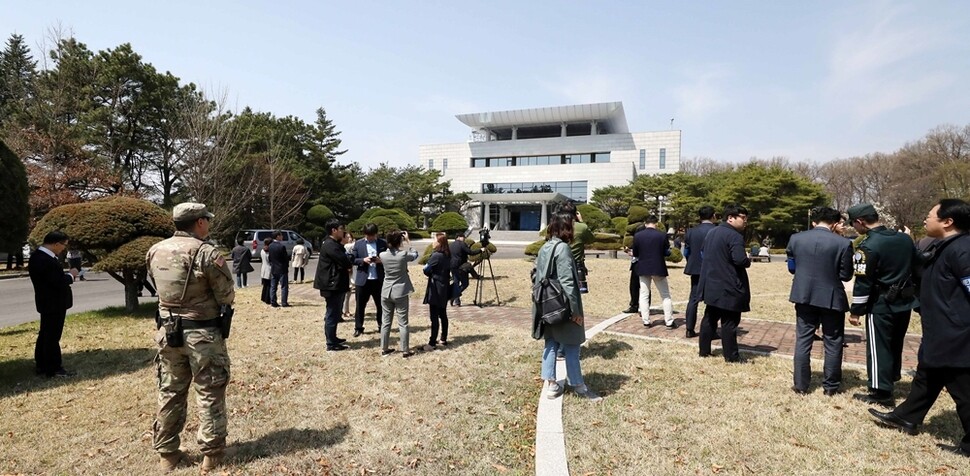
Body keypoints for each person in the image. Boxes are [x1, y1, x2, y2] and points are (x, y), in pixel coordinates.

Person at [868, 199, 970, 456]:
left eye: (930, 215)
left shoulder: (963, 250)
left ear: (948, 222)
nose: (926, 219)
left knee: (963, 390)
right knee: (927, 376)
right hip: (939, 330)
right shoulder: (945, 246)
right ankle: (907, 416)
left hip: (956, 334)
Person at [146, 202, 234, 471]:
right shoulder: (206, 253)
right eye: (206, 219)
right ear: (199, 222)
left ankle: (167, 453)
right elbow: (226, 294)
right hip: (202, 335)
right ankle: (212, 453)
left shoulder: (154, 250)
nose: (208, 223)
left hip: (168, 333)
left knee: (170, 390)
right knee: (209, 391)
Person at [846, 203, 919, 407]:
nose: (854, 228)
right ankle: (891, 376)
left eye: (853, 223)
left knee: (878, 347)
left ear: (860, 222)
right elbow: (917, 264)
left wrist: (856, 311)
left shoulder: (867, 245)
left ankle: (880, 391)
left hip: (880, 304)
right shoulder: (904, 238)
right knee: (896, 343)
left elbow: (863, 282)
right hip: (904, 302)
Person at [531, 212, 602, 402]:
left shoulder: (545, 247)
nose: (573, 230)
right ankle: (578, 384)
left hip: (546, 304)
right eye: (570, 226)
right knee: (571, 345)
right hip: (562, 305)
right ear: (564, 228)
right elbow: (568, 282)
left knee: (551, 343)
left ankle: (551, 384)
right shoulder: (563, 249)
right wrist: (576, 311)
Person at [786, 207, 854, 396]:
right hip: (831, 296)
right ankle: (830, 387)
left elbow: (792, 267)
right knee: (833, 341)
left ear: (814, 222)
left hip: (803, 294)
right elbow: (846, 275)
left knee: (803, 339)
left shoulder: (796, 239)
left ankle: (800, 384)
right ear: (834, 223)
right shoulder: (843, 243)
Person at [698, 204, 751, 363]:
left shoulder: (711, 232)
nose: (745, 221)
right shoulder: (734, 236)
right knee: (729, 322)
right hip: (729, 284)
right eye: (742, 218)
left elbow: (703, 253)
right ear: (730, 218)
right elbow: (740, 260)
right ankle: (731, 356)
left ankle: (704, 350)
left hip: (711, 282)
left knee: (710, 317)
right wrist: (747, 260)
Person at [29, 231, 79, 378]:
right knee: (51, 337)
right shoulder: (43, 259)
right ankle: (53, 368)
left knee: (45, 334)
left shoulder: (40, 256)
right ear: (56, 244)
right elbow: (57, 282)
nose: (64, 248)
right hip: (53, 302)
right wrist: (71, 275)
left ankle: (42, 365)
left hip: (48, 302)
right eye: (64, 245)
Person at [378, 230, 420, 357]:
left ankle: (384, 348)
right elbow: (415, 255)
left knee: (385, 322)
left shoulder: (382, 255)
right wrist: (409, 241)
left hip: (386, 291)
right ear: (399, 242)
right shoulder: (403, 255)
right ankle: (405, 350)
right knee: (403, 322)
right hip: (400, 291)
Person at [313, 219, 353, 351]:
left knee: (335, 312)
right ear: (334, 230)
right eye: (341, 229)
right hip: (331, 284)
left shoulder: (334, 244)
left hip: (335, 283)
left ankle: (333, 338)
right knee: (331, 313)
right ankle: (331, 343)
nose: (343, 231)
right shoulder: (330, 245)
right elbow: (345, 261)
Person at [632, 215, 675, 328]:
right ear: (656, 223)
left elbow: (635, 253)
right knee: (665, 295)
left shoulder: (638, 236)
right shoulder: (661, 235)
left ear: (645, 223)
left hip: (643, 267)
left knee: (644, 294)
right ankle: (669, 320)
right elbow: (667, 252)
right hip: (658, 267)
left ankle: (646, 320)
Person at [683, 206, 717, 338]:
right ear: (713, 215)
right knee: (713, 300)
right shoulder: (716, 231)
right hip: (713, 269)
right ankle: (710, 330)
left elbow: (687, 252)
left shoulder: (691, 231)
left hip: (695, 268)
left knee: (693, 299)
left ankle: (689, 329)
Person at [351, 223, 387, 336]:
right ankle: (358, 327)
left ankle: (381, 325)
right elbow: (352, 259)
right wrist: (363, 260)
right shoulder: (358, 244)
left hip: (378, 279)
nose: (370, 238)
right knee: (360, 305)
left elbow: (389, 257)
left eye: (372, 235)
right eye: (367, 235)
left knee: (381, 305)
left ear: (376, 234)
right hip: (363, 279)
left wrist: (381, 261)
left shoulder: (382, 243)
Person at [557, 201, 595, 293]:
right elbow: (591, 240)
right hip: (577, 266)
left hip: (558, 264)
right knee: (575, 295)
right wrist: (581, 222)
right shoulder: (581, 227)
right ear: (575, 213)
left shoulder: (554, 226)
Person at [423, 231, 452, 350]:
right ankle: (443, 338)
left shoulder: (436, 256)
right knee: (443, 314)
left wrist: (427, 268)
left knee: (434, 316)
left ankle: (432, 343)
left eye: (434, 240)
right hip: (444, 287)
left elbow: (426, 270)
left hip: (435, 288)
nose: (433, 242)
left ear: (439, 243)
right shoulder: (447, 254)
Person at [449, 231, 482, 306]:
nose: (464, 239)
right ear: (459, 237)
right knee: (465, 284)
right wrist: (480, 250)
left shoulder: (451, 245)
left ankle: (456, 301)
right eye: (463, 237)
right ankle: (454, 296)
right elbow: (470, 252)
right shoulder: (462, 244)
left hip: (452, 267)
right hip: (461, 267)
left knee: (456, 283)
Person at [267, 230, 290, 307]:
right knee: (284, 286)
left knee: (273, 286)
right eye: (281, 235)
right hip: (282, 269)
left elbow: (270, 258)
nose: (282, 237)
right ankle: (284, 302)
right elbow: (285, 258)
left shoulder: (270, 246)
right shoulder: (281, 246)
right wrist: (287, 265)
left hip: (273, 268)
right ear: (277, 236)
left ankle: (273, 301)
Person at [342, 231, 355, 319]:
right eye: (347, 237)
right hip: (346, 271)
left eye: (350, 237)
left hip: (350, 271)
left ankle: (346, 310)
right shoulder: (346, 246)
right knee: (347, 293)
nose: (349, 239)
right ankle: (344, 311)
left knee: (348, 293)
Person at [259, 237, 272, 305]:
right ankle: (268, 299)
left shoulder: (262, 250)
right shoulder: (268, 251)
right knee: (269, 285)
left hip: (263, 268)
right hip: (268, 268)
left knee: (265, 285)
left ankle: (263, 297)